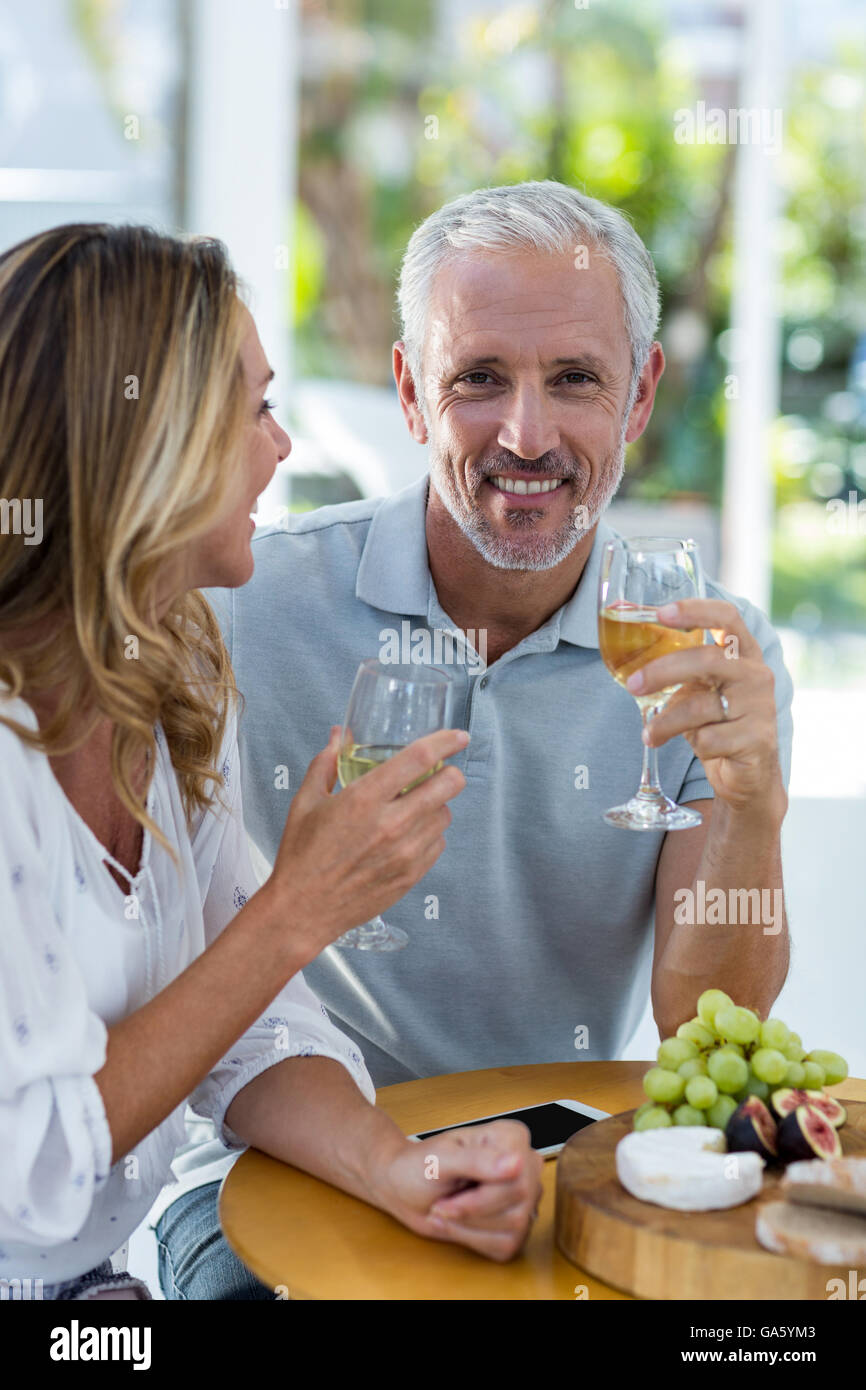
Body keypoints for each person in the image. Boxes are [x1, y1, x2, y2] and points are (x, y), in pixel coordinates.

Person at [155, 179, 794, 1299]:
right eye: (479, 379)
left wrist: (749, 805)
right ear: (409, 391)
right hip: (266, 1162)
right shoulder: (239, 611)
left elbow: (700, 1025)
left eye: (575, 381)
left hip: (547, 1161)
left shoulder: (704, 655)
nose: (526, 435)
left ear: (639, 395)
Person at [0, 222, 543, 1302]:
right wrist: (298, 907)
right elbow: (37, 1177)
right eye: (253, 408)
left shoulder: (170, 683)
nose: (282, 445)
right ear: (147, 440)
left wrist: (401, 1167)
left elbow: (250, 1025)